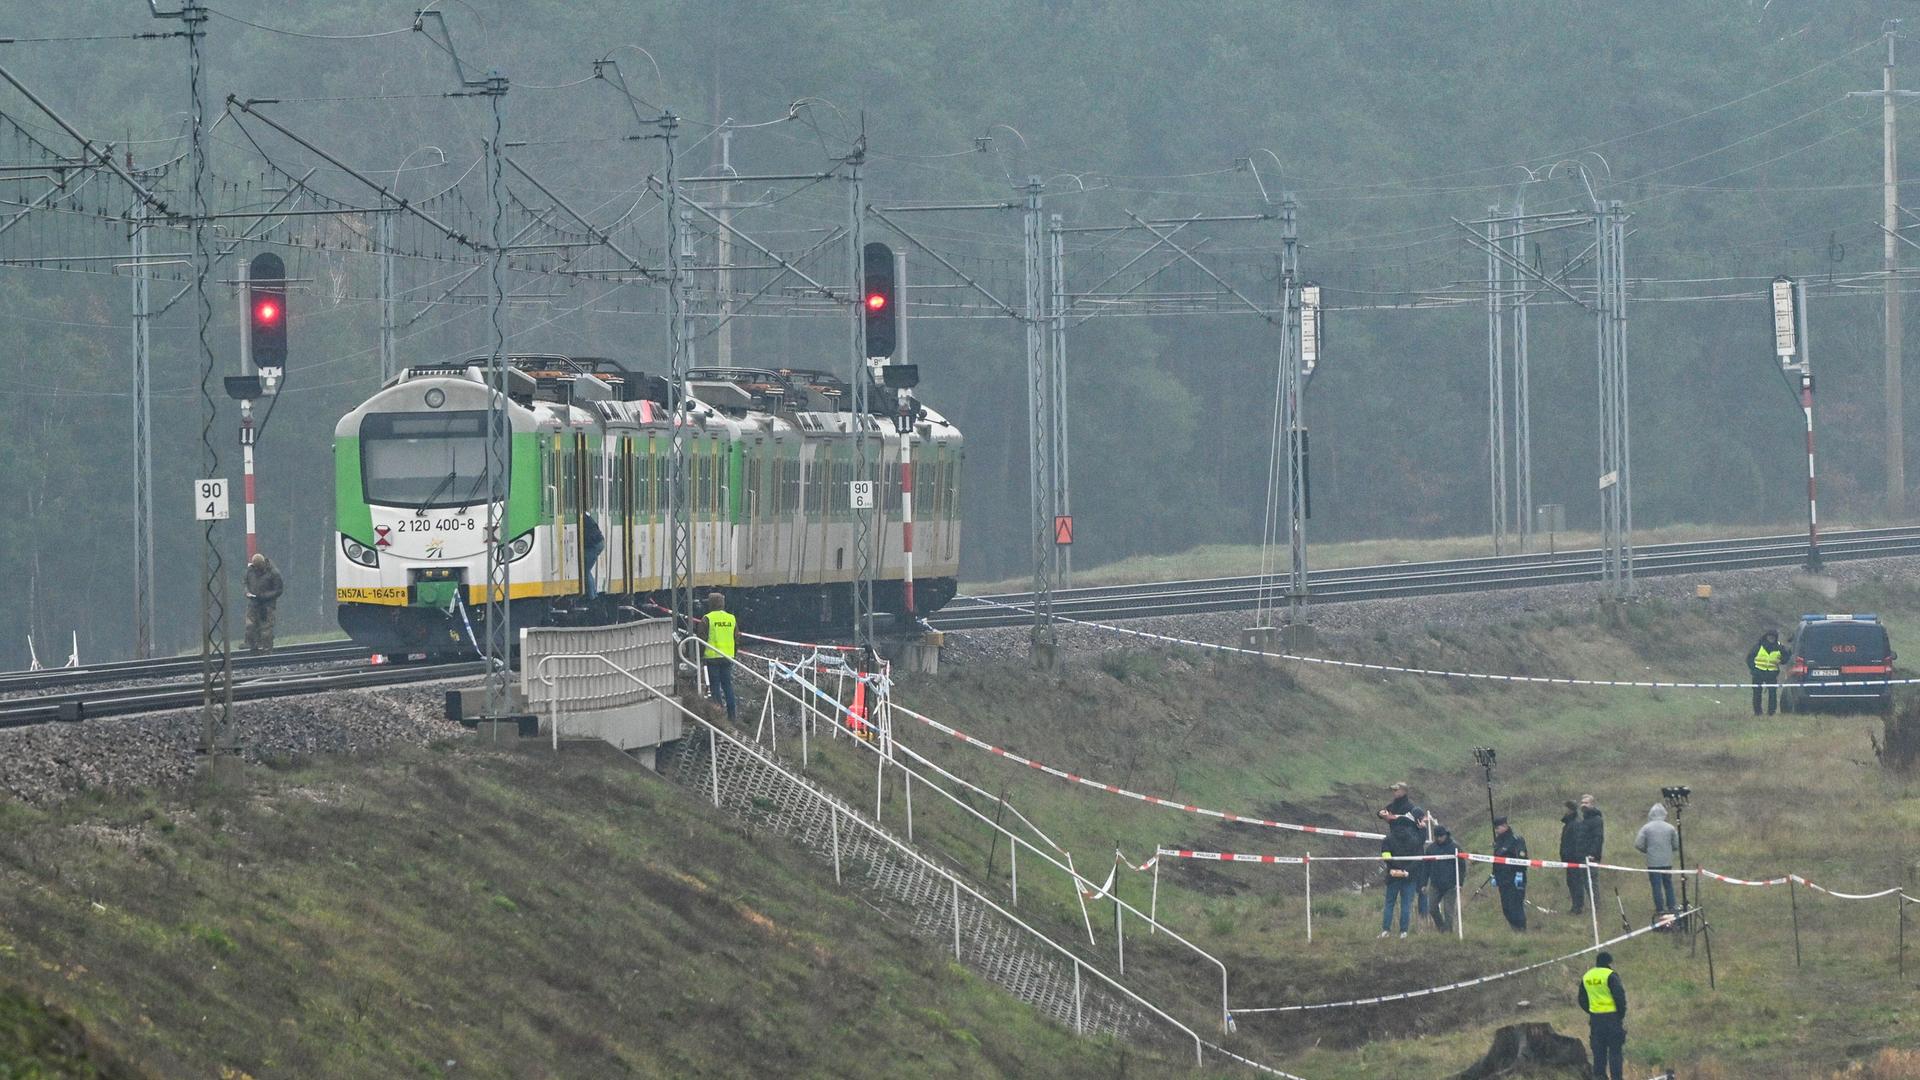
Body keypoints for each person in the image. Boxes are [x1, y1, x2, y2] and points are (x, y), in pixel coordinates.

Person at [1377, 782, 1424, 939]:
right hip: (1408, 874)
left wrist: (1392, 868)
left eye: (1396, 790)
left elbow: (1385, 855)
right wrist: (1407, 871)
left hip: (1394, 873)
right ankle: (1403, 932)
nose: (1394, 792)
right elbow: (1419, 854)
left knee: (1390, 903)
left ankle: (1386, 930)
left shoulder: (1388, 839)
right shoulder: (1415, 839)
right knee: (1405, 904)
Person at [1577, 949, 1628, 1080]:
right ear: (1608, 962)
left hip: (1596, 1019)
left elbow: (1581, 999)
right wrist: (1620, 1014)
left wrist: (1591, 1010)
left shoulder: (1587, 976)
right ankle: (1616, 1078)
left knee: (1598, 1052)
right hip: (1612, 1018)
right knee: (1615, 1051)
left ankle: (1599, 1077)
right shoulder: (1610, 975)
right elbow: (1619, 997)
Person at [691, 591, 737, 724]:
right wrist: (734, 653)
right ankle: (732, 715)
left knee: (715, 686)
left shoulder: (707, 618)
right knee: (727, 685)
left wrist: (699, 656)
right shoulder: (731, 618)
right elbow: (737, 638)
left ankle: (719, 713)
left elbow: (702, 639)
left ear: (711, 604)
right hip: (727, 657)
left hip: (712, 658)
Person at [1633, 803, 1680, 916]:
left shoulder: (1646, 828)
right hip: (1667, 861)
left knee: (1656, 886)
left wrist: (1647, 850)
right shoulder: (1670, 828)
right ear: (1664, 814)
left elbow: (1638, 844)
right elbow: (1676, 844)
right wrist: (1669, 850)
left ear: (1651, 814)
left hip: (1653, 862)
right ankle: (1671, 906)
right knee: (1668, 884)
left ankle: (1660, 909)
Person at [1491, 816, 1530, 931]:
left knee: (1516, 907)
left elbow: (1522, 858)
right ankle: (1514, 930)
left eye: (1498, 828)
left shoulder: (1516, 840)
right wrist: (1494, 874)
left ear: (1505, 826)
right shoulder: (1498, 841)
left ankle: (1521, 930)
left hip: (1515, 879)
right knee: (1506, 908)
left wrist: (1520, 874)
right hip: (1502, 880)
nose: (1496, 831)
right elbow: (1496, 860)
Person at [242, 553, 284, 654]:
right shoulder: (250, 571)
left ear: (263, 563)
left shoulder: (273, 573)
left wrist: (265, 596)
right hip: (253, 604)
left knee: (266, 630)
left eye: (258, 566)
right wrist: (247, 592)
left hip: (267, 605)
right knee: (250, 627)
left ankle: (267, 651)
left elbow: (279, 590)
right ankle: (253, 648)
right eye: (255, 567)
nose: (257, 569)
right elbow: (245, 583)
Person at [1426, 824, 1461, 931]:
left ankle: (1449, 933)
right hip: (1435, 884)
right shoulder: (1430, 849)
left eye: (1441, 836)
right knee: (1432, 908)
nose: (1439, 838)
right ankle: (1441, 927)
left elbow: (1462, 866)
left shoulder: (1455, 847)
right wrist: (1423, 883)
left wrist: (1460, 883)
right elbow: (1426, 867)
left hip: (1451, 885)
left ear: (1445, 835)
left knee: (1448, 910)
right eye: (1437, 837)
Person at [1560, 800, 1588, 915]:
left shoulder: (1575, 823)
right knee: (1571, 883)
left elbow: (1578, 842)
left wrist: (1576, 856)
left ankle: (1578, 907)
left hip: (1574, 860)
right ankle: (1574, 906)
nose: (1563, 810)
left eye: (1565, 808)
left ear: (1570, 809)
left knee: (1576, 883)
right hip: (1568, 859)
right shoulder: (1569, 823)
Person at [1746, 629, 1783, 716]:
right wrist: (1754, 670)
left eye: (1773, 637)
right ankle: (1758, 712)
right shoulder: (1759, 646)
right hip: (1758, 673)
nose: (1771, 639)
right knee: (1757, 693)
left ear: (1776, 638)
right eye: (1769, 637)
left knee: (1772, 694)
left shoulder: (1779, 647)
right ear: (1766, 637)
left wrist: (1783, 659)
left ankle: (1771, 712)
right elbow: (1749, 658)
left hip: (1772, 674)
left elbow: (1785, 658)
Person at [1577, 794, 1606, 901]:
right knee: (1586, 883)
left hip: (1591, 857)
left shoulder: (1596, 819)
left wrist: (1592, 854)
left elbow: (1598, 838)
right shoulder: (1583, 820)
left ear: (1592, 805)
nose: (1583, 805)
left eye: (1586, 803)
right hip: (1582, 856)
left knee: (1592, 883)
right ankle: (1592, 905)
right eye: (1582, 803)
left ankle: (1596, 906)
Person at [581, 511, 605, 598]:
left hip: (593, 545)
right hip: (598, 542)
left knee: (585, 570)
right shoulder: (586, 517)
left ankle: (592, 597)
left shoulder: (582, 518)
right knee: (586, 569)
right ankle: (593, 594)